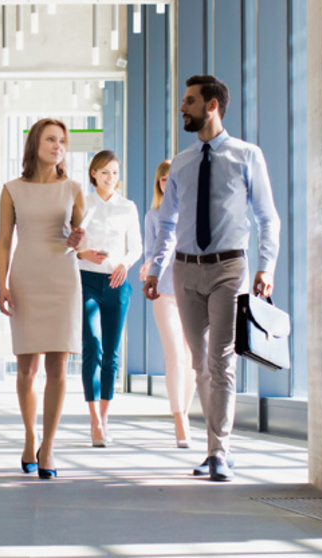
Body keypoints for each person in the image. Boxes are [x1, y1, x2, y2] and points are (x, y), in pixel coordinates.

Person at [142, 75, 279, 482]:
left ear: (212, 106)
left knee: (221, 360)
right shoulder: (182, 163)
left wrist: (266, 266)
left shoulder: (247, 156)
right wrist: (154, 269)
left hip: (228, 268)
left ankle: (219, 451)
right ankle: (214, 447)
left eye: (189, 101)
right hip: (184, 271)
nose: (182, 108)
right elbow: (166, 224)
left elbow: (267, 218)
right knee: (199, 364)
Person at [0, 118, 86, 480]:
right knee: (26, 370)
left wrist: (81, 239)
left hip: (62, 278)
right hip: (26, 278)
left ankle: (48, 445)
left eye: (62, 141)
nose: (58, 146)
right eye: (51, 139)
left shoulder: (73, 188)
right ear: (35, 144)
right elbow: (3, 241)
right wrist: (1, 285)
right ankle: (30, 435)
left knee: (58, 370)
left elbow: (81, 238)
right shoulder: (12, 189)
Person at [76, 150, 143, 447]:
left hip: (116, 281)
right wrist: (83, 253)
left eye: (115, 173)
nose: (110, 178)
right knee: (92, 344)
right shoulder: (81, 204)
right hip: (85, 279)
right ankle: (94, 422)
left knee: (112, 353)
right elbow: (69, 241)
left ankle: (104, 418)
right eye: (104, 172)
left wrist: (123, 265)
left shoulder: (127, 207)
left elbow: (137, 247)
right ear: (93, 174)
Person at [141, 158, 196, 449]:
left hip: (192, 290)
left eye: (171, 177)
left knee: (193, 358)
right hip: (164, 291)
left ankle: (184, 410)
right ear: (159, 183)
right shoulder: (153, 216)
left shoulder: (191, 213)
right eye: (163, 178)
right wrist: (149, 265)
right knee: (175, 354)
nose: (167, 182)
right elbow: (150, 251)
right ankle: (179, 418)